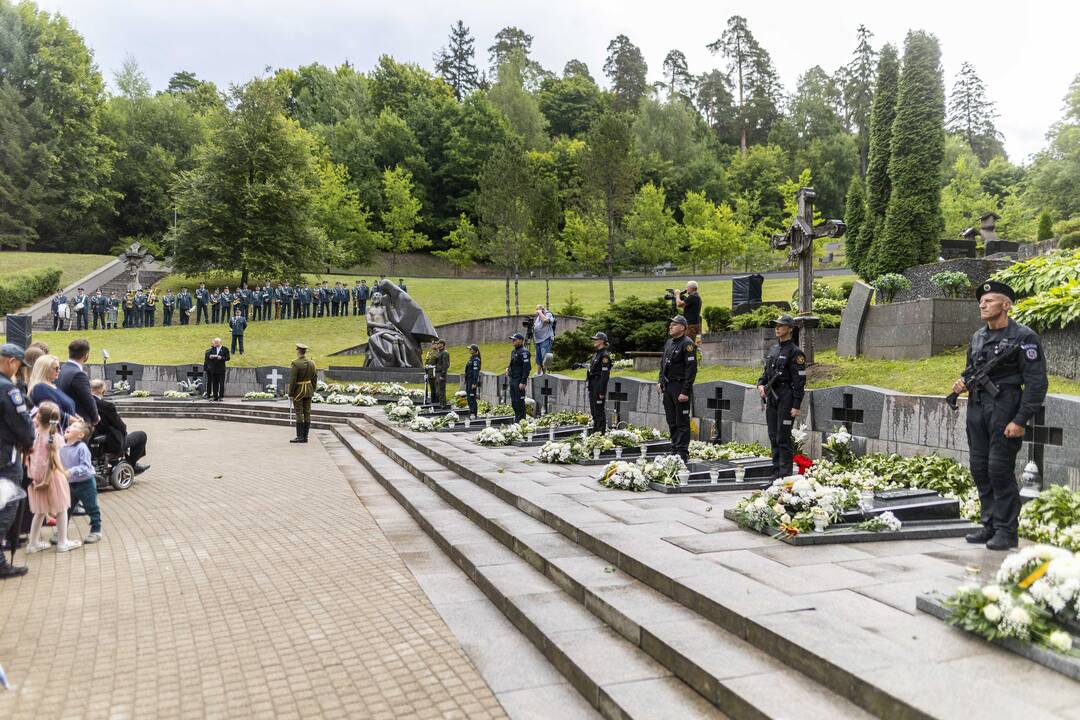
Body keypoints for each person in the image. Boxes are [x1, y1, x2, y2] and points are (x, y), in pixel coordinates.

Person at [953, 280, 1048, 551]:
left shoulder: (1024, 337)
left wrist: (1020, 420)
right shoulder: (977, 337)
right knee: (980, 468)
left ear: (1006, 305)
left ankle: (1007, 531)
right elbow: (971, 371)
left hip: (1005, 405)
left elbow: (1036, 383)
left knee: (999, 469)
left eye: (990, 300)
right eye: (981, 301)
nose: (982, 304)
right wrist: (962, 383)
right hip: (977, 407)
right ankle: (990, 525)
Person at [25, 401, 80, 553]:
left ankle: (33, 543)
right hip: (53, 478)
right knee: (62, 509)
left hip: (36, 476)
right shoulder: (56, 438)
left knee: (40, 511)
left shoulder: (33, 434)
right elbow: (55, 462)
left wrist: (35, 476)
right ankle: (63, 542)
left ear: (39, 417)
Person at [756, 315, 806, 479]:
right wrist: (761, 384)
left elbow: (799, 381)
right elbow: (766, 373)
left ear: (790, 329)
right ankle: (776, 472)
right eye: (776, 325)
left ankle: (784, 475)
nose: (777, 328)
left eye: (781, 325)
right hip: (772, 396)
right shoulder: (773, 349)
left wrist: (796, 405)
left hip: (786, 396)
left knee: (782, 436)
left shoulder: (795, 352)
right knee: (772, 435)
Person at [0, 344, 33, 579]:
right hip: (6, 458)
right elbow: (22, 426)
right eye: (20, 366)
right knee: (7, 506)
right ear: (11, 361)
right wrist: (29, 441)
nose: (19, 371)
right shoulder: (8, 390)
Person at [657, 315, 697, 462]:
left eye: (674, 324)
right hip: (668, 386)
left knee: (682, 421)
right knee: (671, 420)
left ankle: (682, 452)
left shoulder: (688, 344)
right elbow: (663, 364)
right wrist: (660, 381)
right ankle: (674, 447)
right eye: (671, 324)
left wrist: (685, 391)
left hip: (680, 387)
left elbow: (691, 369)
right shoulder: (669, 343)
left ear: (682, 327)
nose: (670, 326)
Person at [91, 379, 148, 473]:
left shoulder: (82, 404)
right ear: (103, 391)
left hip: (91, 439)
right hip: (109, 443)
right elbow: (120, 426)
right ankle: (131, 465)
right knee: (141, 435)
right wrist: (124, 432)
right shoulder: (106, 406)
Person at [59, 419, 101, 544]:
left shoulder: (82, 448)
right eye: (71, 425)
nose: (70, 427)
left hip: (86, 482)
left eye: (75, 426)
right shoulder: (62, 447)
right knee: (66, 508)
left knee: (91, 507)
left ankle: (96, 530)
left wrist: (70, 472)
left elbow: (86, 466)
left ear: (80, 435)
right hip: (70, 483)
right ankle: (61, 532)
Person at [57, 339, 98, 427]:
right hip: (78, 423)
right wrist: (95, 418)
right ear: (86, 355)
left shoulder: (61, 369)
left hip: (64, 420)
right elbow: (88, 399)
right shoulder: (79, 374)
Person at [27, 354, 77, 427]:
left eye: (59, 368)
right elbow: (53, 412)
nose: (59, 371)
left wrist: (78, 418)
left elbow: (67, 407)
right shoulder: (40, 388)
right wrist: (77, 422)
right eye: (56, 368)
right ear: (45, 370)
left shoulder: (52, 386)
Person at [288, 343, 317, 443]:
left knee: (299, 413)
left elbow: (293, 379)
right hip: (308, 390)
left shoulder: (295, 363)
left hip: (299, 391)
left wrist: (290, 393)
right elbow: (314, 377)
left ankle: (300, 436)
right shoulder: (312, 363)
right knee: (307, 413)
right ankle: (305, 437)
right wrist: (313, 388)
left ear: (298, 351)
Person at [585, 332, 612, 434]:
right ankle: (595, 430)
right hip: (592, 384)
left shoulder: (605, 356)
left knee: (599, 410)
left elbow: (604, 376)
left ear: (601, 341)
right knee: (594, 410)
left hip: (598, 385)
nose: (594, 341)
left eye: (596, 339)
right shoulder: (597, 354)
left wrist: (602, 391)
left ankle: (600, 432)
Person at [507, 332, 531, 422]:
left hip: (519, 380)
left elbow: (527, 368)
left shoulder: (524, 352)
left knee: (520, 401)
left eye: (515, 339)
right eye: (512, 339)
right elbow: (512, 363)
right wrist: (508, 369)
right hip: (512, 379)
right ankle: (517, 418)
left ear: (521, 341)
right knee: (514, 401)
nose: (513, 341)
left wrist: (523, 381)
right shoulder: (513, 351)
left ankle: (521, 421)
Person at [532, 304, 556, 375]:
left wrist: (540, 313)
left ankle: (545, 374)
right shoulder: (538, 317)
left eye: (538, 310)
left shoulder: (548, 314)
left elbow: (546, 320)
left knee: (545, 357)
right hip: (538, 340)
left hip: (546, 339)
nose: (536, 312)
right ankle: (538, 372)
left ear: (542, 309)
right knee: (538, 358)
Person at [429, 340, 450, 405]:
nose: (438, 345)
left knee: (441, 390)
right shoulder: (439, 352)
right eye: (437, 344)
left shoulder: (445, 353)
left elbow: (445, 365)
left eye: (439, 344)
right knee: (438, 391)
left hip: (441, 373)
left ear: (443, 345)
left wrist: (442, 375)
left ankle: (443, 405)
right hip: (437, 373)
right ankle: (441, 403)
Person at [464, 344, 481, 418]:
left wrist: (474, 383)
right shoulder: (471, 359)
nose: (469, 350)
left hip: (472, 381)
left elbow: (475, 372)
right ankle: (471, 412)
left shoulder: (476, 360)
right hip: (468, 380)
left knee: (471, 397)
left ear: (475, 350)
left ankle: (473, 413)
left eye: (470, 349)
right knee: (469, 397)